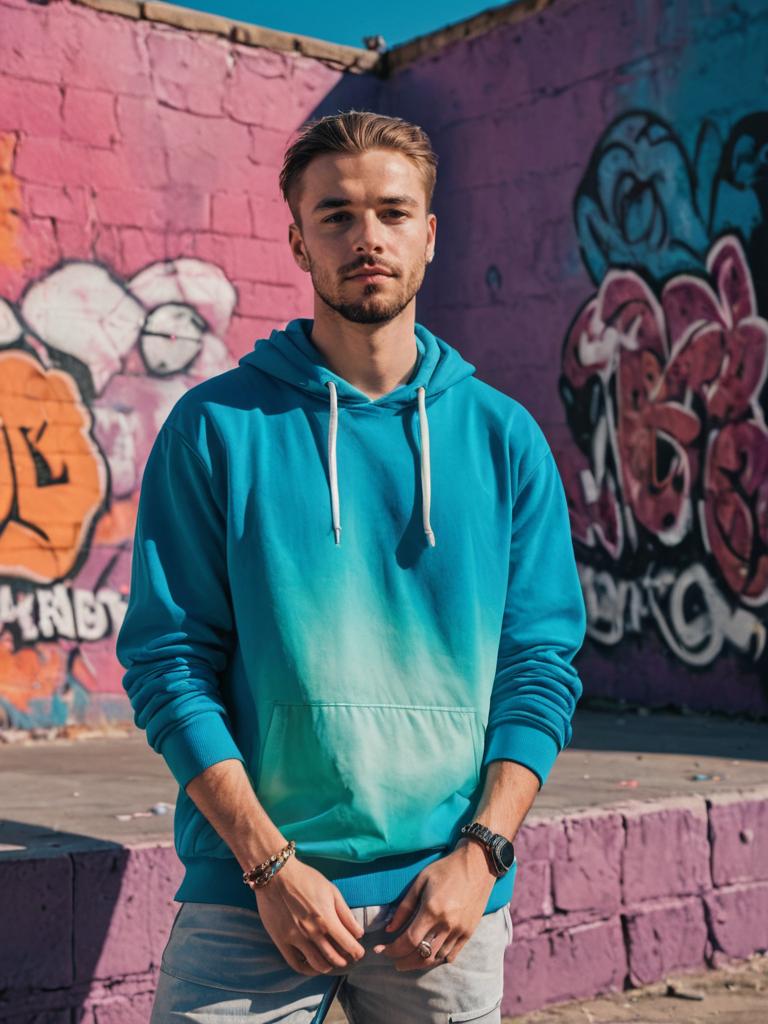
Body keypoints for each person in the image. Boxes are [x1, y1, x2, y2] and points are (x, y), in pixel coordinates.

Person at [116, 110, 587, 1024]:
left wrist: (480, 854)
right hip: (251, 894)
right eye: (335, 215)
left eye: (392, 212)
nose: (366, 237)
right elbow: (170, 663)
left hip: (443, 902)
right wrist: (268, 864)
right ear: (297, 239)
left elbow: (538, 669)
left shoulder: (504, 440)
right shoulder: (215, 429)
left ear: (430, 234)